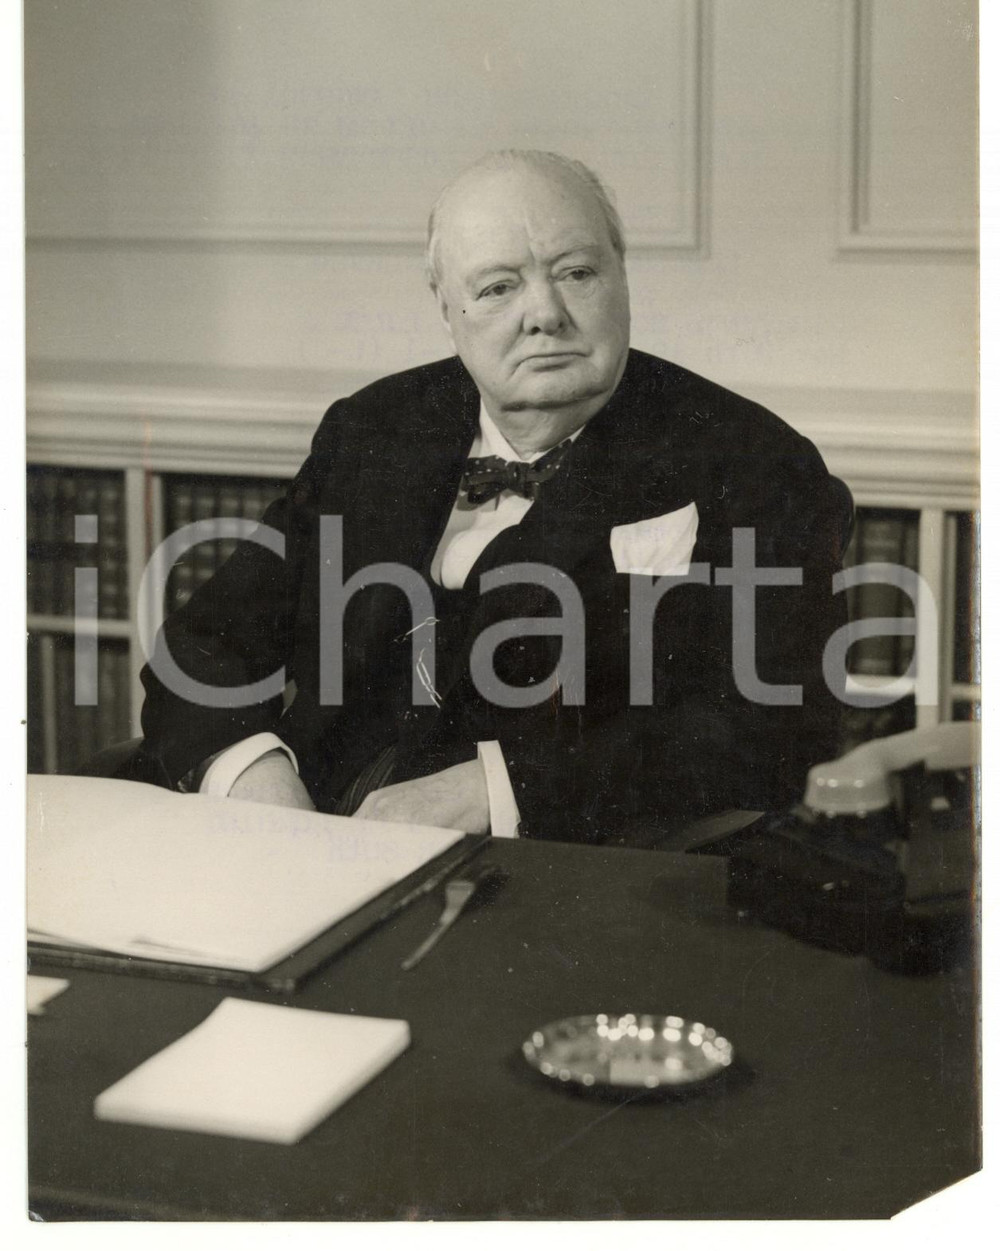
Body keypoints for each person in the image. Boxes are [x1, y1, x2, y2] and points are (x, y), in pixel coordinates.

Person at [137, 149, 847, 845]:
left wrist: (494, 790)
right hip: (313, 841)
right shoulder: (372, 429)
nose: (545, 314)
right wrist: (256, 779)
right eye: (498, 287)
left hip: (558, 872)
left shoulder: (755, 462)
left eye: (576, 272)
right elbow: (205, 644)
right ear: (447, 310)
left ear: (622, 278)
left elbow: (777, 731)